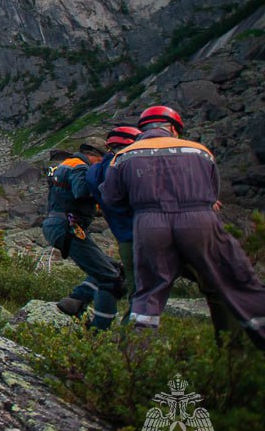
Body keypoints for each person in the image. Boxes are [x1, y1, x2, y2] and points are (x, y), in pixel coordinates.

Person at [102, 105, 265, 350]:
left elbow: (111, 197)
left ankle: (132, 357)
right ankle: (237, 352)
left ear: (143, 129)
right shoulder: (199, 151)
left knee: (148, 293)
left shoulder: (124, 155)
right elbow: (212, 192)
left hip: (149, 223)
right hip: (199, 220)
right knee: (231, 280)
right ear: (175, 129)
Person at [44, 143, 126, 330]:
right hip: (68, 227)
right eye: (99, 161)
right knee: (111, 278)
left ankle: (75, 300)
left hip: (59, 224)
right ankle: (99, 330)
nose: (99, 166)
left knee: (110, 267)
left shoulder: (63, 165)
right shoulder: (80, 166)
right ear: (92, 155)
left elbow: (68, 196)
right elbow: (81, 192)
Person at [85, 125, 142, 306]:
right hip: (152, 231)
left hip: (124, 237)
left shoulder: (94, 172)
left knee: (135, 288)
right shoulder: (133, 164)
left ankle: (129, 327)